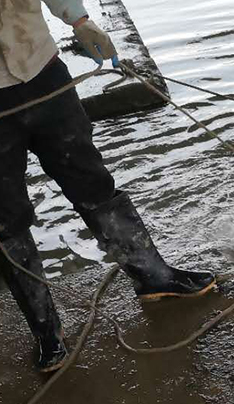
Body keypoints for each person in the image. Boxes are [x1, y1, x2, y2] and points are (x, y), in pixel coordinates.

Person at [0, 0, 216, 373]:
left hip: (42, 69)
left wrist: (80, 21)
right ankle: (45, 329)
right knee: (5, 220)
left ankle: (153, 276)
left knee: (91, 181)